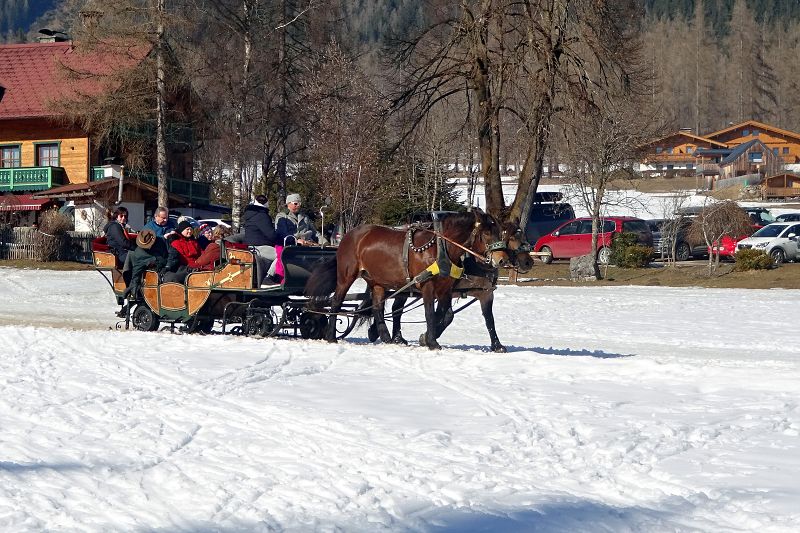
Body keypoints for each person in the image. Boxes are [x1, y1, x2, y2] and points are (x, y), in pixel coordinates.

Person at [243, 194, 277, 284]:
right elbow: (271, 235)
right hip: (259, 247)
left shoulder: (251, 214)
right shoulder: (261, 216)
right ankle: (268, 278)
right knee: (282, 255)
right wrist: (282, 240)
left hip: (253, 246)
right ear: (266, 203)